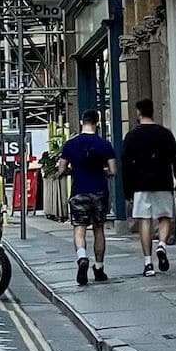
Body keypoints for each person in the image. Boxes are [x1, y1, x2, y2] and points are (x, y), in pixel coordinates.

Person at [121, 98, 176, 277]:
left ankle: (148, 263)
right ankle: (162, 245)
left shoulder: (132, 136)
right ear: (152, 112)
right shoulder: (165, 134)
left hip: (141, 184)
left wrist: (127, 190)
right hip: (163, 182)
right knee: (165, 218)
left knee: (145, 220)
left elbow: (125, 164)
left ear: (138, 113)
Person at [58, 110, 117, 286]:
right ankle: (99, 269)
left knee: (79, 228)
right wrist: (102, 171)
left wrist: (72, 171)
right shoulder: (104, 144)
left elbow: (61, 170)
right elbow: (113, 170)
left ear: (82, 122)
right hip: (99, 191)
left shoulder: (70, 144)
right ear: (97, 123)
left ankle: (82, 257)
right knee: (99, 229)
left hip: (78, 192)